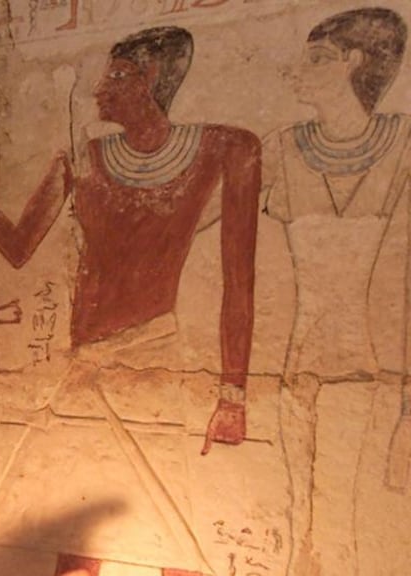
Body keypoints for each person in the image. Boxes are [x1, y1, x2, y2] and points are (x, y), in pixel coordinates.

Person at [0, 26, 260, 575]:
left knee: (172, 540)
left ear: (152, 79)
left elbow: (239, 280)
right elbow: (20, 247)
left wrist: (232, 394)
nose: (99, 89)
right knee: (79, 543)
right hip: (86, 369)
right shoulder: (84, 158)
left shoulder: (226, 148)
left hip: (154, 360)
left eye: (116, 76)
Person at [262, 8, 410, 575]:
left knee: (350, 526)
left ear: (352, 63)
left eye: (316, 58)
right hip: (299, 364)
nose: (297, 71)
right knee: (304, 528)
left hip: (372, 368)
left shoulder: (403, 146)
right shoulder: (283, 148)